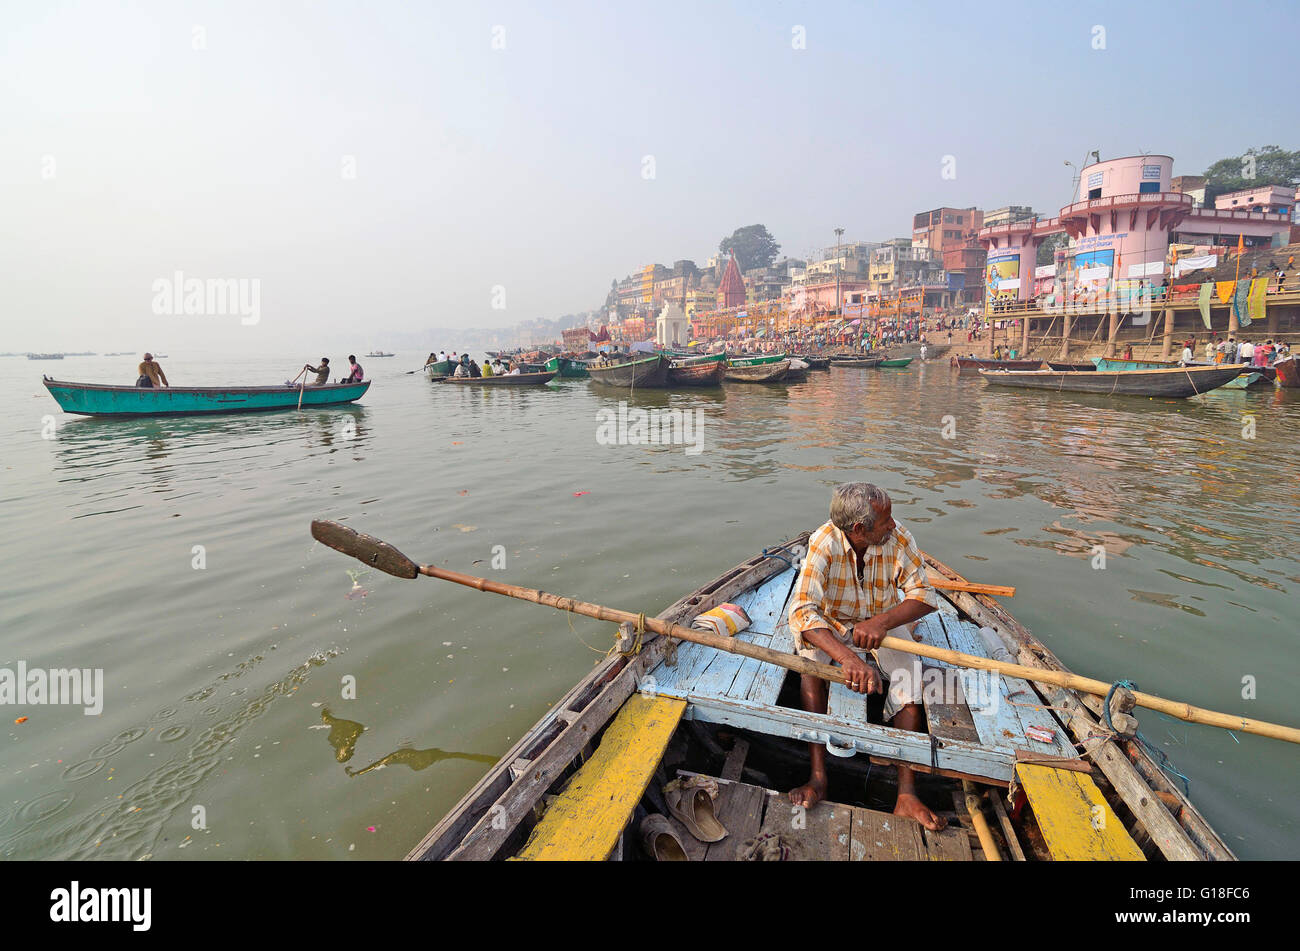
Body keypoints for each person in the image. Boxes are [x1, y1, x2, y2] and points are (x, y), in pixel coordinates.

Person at [786, 483, 944, 831]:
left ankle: (906, 794)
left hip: (883, 620)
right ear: (859, 529)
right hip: (833, 622)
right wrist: (848, 658)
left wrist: (882, 622)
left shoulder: (898, 537)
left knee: (910, 681)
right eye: (885, 520)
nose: (893, 524)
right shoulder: (823, 542)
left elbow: (925, 595)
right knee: (809, 669)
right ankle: (818, 777)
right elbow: (802, 613)